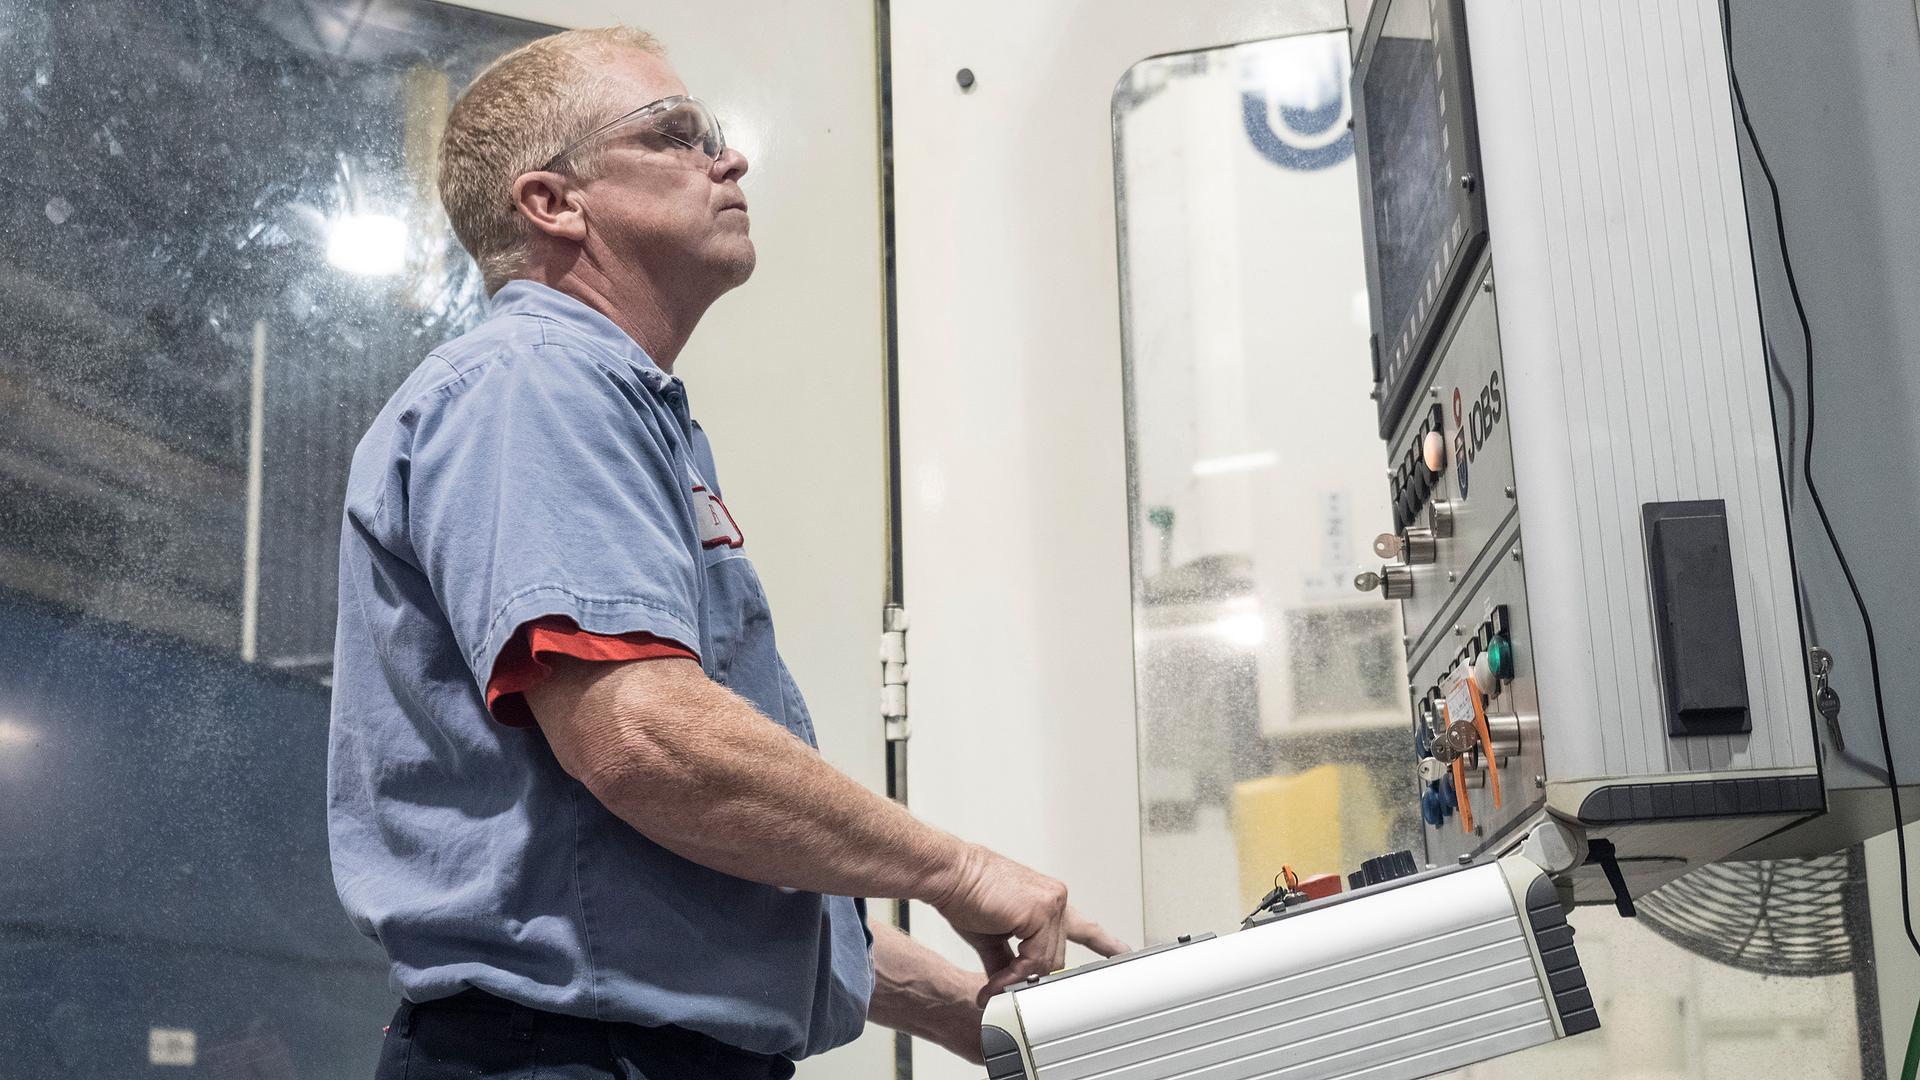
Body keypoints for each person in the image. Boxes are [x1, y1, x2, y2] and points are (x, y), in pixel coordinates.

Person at [326, 26, 1126, 1080]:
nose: (730, 157)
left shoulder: (618, 409)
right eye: (676, 134)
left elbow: (682, 891)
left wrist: (985, 1019)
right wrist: (957, 869)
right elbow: (645, 741)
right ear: (553, 202)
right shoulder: (536, 386)